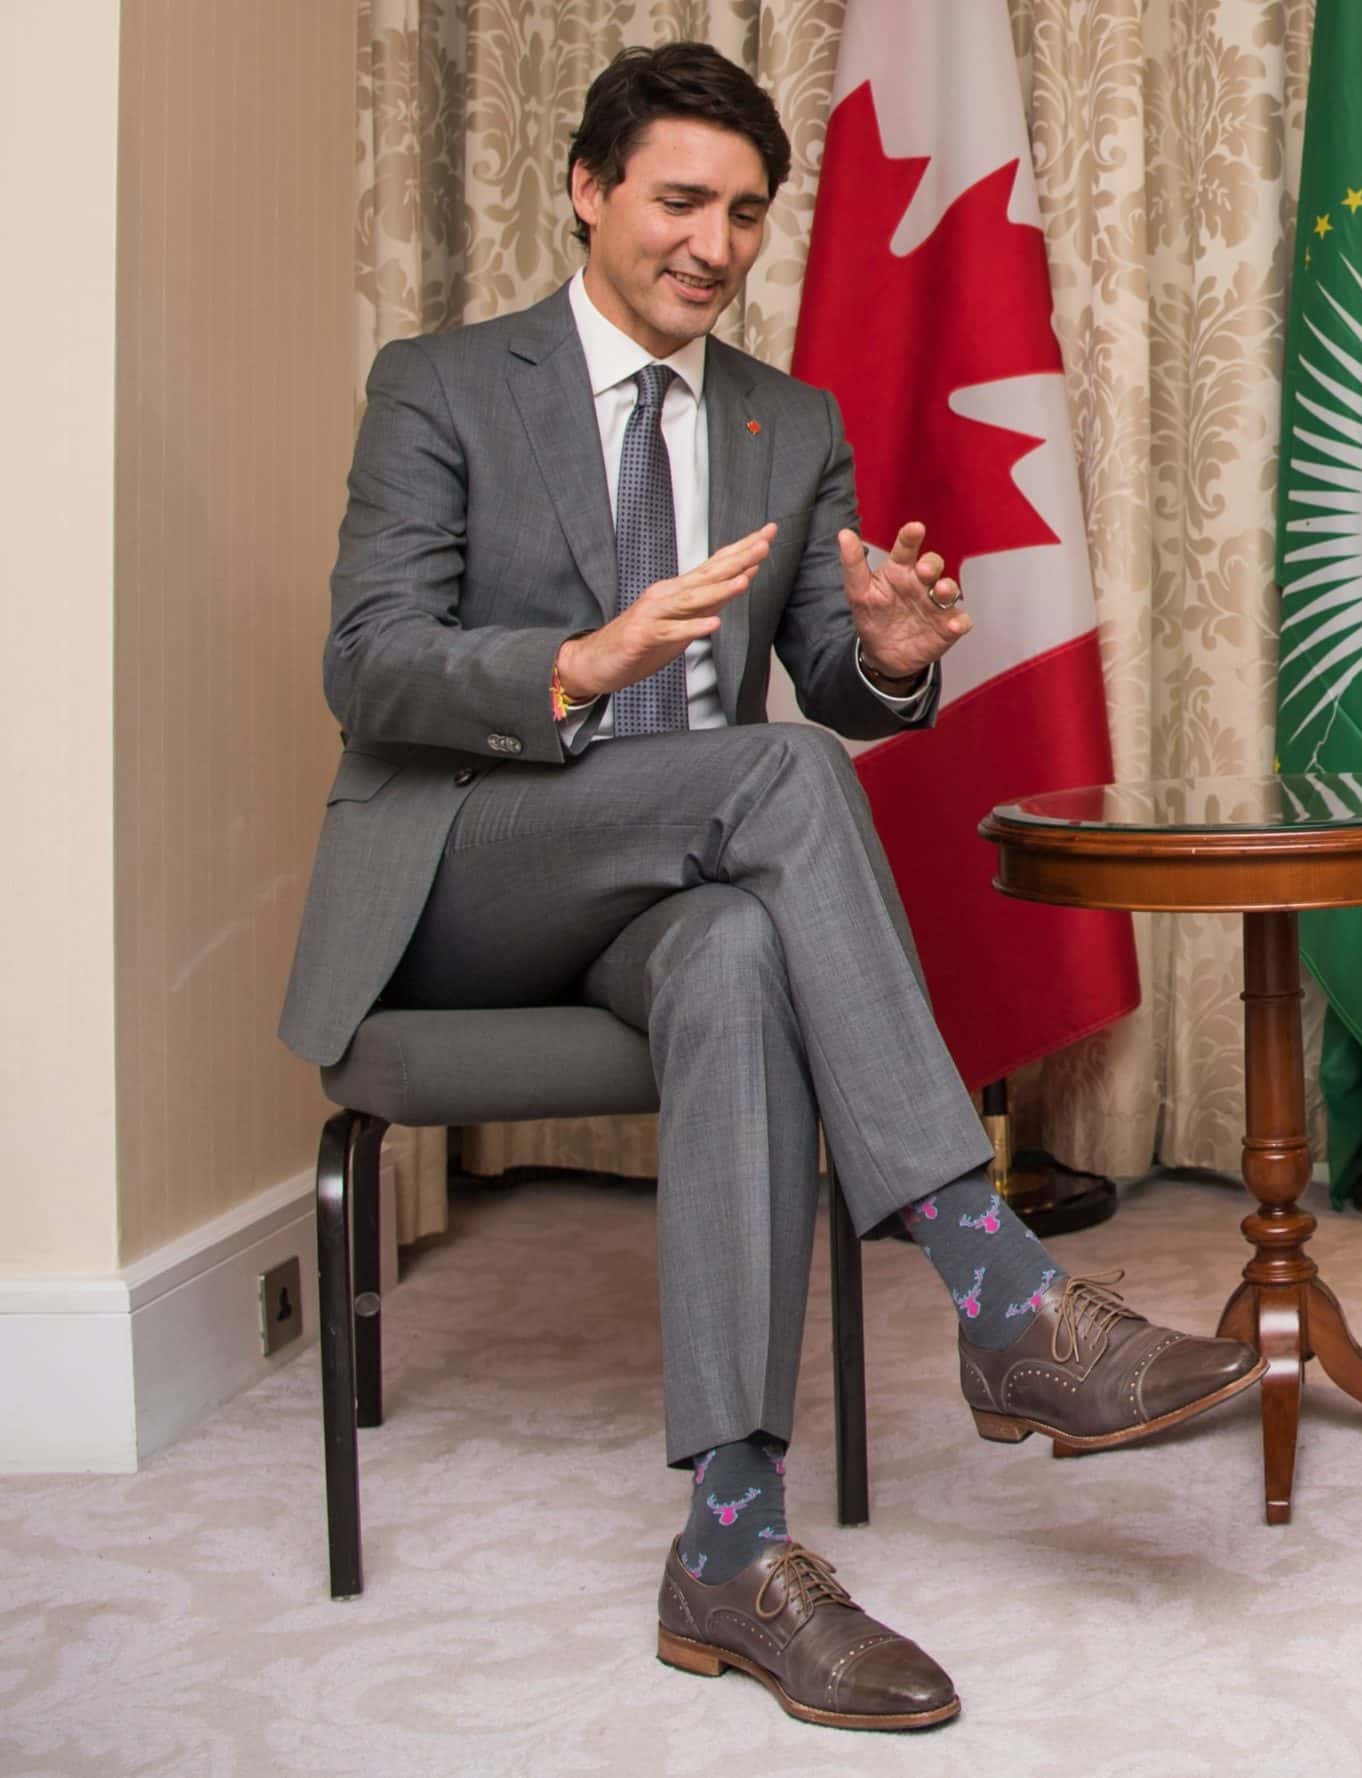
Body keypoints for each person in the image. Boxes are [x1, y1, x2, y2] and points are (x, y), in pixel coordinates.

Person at [278, 42, 1263, 1730]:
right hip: (471, 865)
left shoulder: (783, 420)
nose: (714, 244)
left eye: (743, 213)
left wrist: (885, 658)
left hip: (679, 883)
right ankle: (997, 1285)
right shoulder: (438, 383)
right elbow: (366, 666)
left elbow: (826, 672)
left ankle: (730, 1546)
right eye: (678, 201)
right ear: (587, 192)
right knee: (779, 776)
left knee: (741, 947)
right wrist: (577, 663)